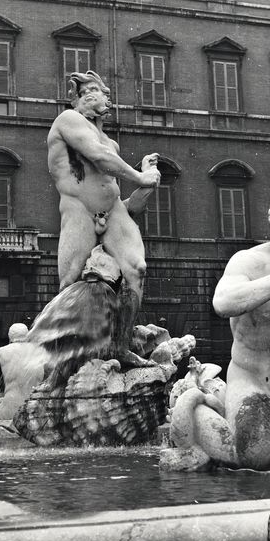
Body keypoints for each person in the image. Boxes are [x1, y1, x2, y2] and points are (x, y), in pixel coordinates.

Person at [170, 189, 270, 470]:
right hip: (255, 383)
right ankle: (200, 412)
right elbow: (222, 303)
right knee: (251, 456)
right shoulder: (250, 262)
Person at [47, 70, 161, 342]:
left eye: (105, 94)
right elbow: (98, 157)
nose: (106, 98)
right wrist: (139, 176)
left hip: (114, 211)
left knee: (137, 269)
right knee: (71, 282)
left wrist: (148, 183)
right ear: (82, 95)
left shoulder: (112, 143)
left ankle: (121, 343)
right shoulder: (68, 120)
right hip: (79, 210)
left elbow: (131, 207)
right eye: (99, 92)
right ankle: (62, 348)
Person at [0, 323, 47, 437]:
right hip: (35, 407)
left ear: (10, 337)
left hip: (10, 409)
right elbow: (54, 371)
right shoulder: (40, 351)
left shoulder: (2, 351)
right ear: (27, 335)